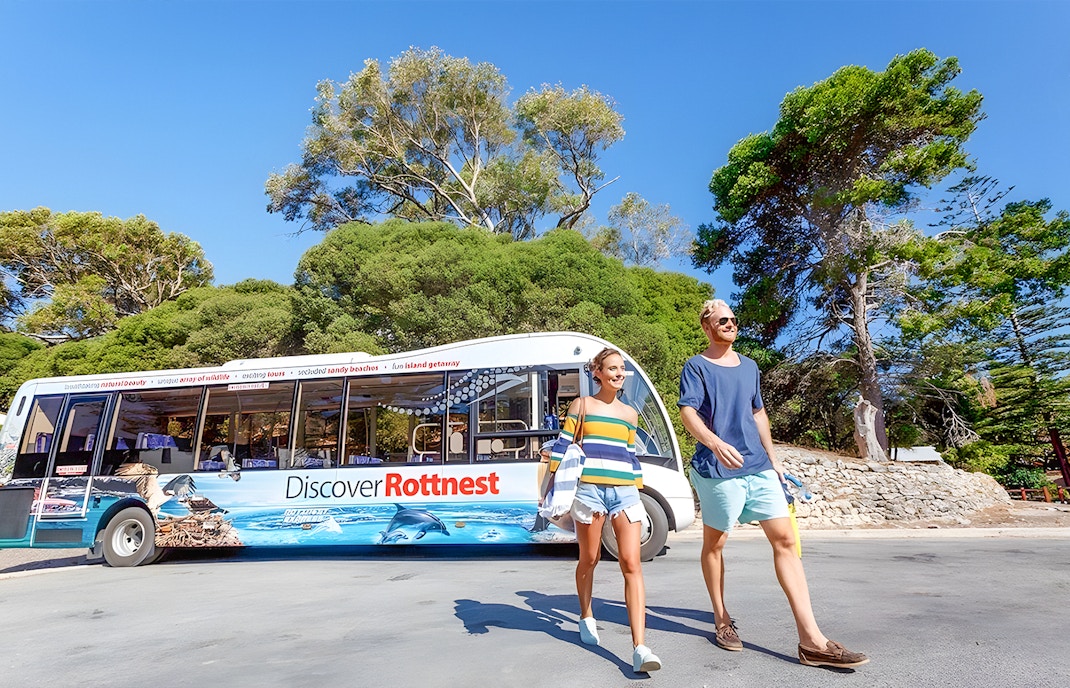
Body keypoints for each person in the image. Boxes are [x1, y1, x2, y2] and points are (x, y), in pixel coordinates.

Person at [679, 299, 869, 669]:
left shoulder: (749, 366)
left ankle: (811, 640)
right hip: (718, 469)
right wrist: (714, 443)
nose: (730, 324)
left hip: (759, 466)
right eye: (722, 320)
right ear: (707, 326)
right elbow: (688, 411)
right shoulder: (696, 366)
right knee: (715, 545)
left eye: (733, 319)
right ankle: (721, 619)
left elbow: (758, 412)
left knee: (785, 541)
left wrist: (775, 461)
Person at [546, 347, 662, 673]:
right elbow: (562, 445)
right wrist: (552, 485)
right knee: (590, 558)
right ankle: (586, 615)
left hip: (625, 492)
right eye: (611, 368)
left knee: (631, 563)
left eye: (621, 369)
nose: (618, 373)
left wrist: (637, 489)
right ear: (597, 372)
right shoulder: (582, 406)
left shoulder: (630, 415)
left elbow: (630, 454)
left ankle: (640, 648)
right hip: (590, 491)